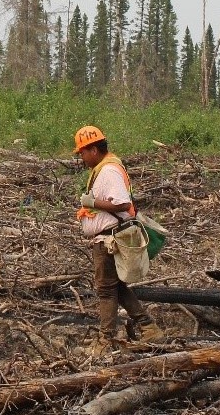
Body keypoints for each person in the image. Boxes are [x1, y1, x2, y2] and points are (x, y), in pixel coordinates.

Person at [73, 126, 165, 354]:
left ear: (93, 149)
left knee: (106, 289)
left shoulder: (109, 171)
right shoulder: (106, 168)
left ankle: (105, 341)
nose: (82, 158)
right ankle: (148, 327)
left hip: (110, 239)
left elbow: (122, 203)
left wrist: (92, 203)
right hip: (107, 238)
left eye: (82, 153)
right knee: (117, 287)